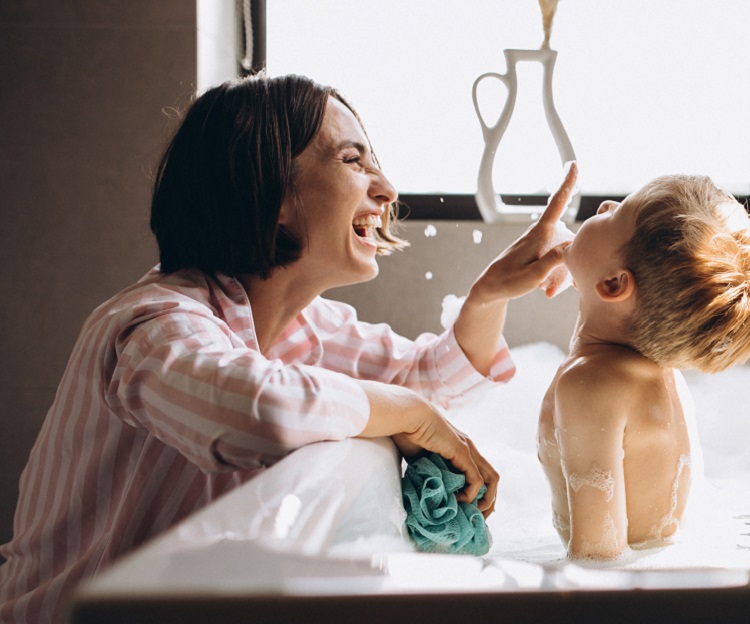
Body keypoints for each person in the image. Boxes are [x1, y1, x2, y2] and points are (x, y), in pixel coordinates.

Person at [0, 74, 576, 622]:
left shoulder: (304, 325)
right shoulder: (151, 324)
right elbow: (263, 413)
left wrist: (488, 294)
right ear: (268, 185)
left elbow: (424, 374)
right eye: (353, 160)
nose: (387, 188)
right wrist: (410, 414)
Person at [537, 175, 750, 560]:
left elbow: (596, 558)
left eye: (616, 214)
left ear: (615, 284)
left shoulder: (591, 385)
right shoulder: (655, 366)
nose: (605, 206)